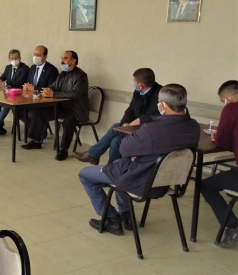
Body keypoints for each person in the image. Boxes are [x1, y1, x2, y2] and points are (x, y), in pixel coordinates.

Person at [78, 84, 200, 235]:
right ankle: (126, 215)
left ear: (162, 105)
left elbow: (124, 148)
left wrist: (137, 152)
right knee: (116, 164)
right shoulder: (194, 127)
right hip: (164, 182)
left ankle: (111, 219)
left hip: (140, 181)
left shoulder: (152, 129)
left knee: (85, 174)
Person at [74, 68, 162, 165]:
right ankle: (111, 167)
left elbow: (157, 116)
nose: (133, 83)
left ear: (140, 85)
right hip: (136, 128)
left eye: (134, 81)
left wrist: (139, 120)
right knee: (116, 140)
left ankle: (93, 155)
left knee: (115, 127)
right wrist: (124, 123)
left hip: (150, 131)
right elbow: (131, 109)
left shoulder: (161, 94)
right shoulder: (138, 91)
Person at [21, 50, 89, 161]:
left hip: (76, 109)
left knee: (68, 121)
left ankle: (63, 150)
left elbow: (74, 94)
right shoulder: (62, 74)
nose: (62, 61)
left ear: (73, 61)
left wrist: (53, 94)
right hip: (61, 107)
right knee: (39, 111)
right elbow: (53, 86)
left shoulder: (81, 75)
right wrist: (43, 91)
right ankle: (36, 141)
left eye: (65, 58)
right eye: (62, 58)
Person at [200, 80, 238, 248]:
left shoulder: (231, 108)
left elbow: (221, 140)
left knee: (205, 185)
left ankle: (233, 226)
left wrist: (217, 136)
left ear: (228, 99)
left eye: (222, 101)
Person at [0, 49, 29, 136]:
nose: (14, 60)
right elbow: (2, 77)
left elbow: (19, 82)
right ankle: (0, 126)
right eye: (12, 58)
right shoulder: (8, 67)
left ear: (20, 58)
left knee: (7, 104)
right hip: (8, 94)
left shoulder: (24, 68)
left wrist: (5, 83)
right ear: (9, 59)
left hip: (20, 95)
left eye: (16, 58)